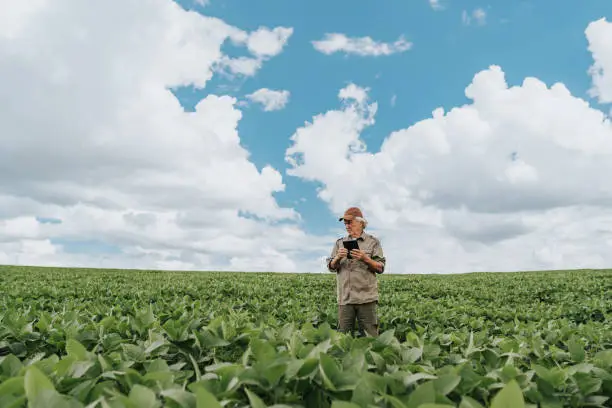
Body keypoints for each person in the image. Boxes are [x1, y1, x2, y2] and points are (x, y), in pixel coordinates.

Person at [326, 206, 386, 337]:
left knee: (371, 338)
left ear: (361, 222)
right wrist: (337, 257)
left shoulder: (373, 242)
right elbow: (330, 266)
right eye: (345, 223)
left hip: (366, 299)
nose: (347, 225)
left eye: (350, 222)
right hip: (345, 300)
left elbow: (380, 267)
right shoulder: (339, 243)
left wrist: (365, 258)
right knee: (342, 339)